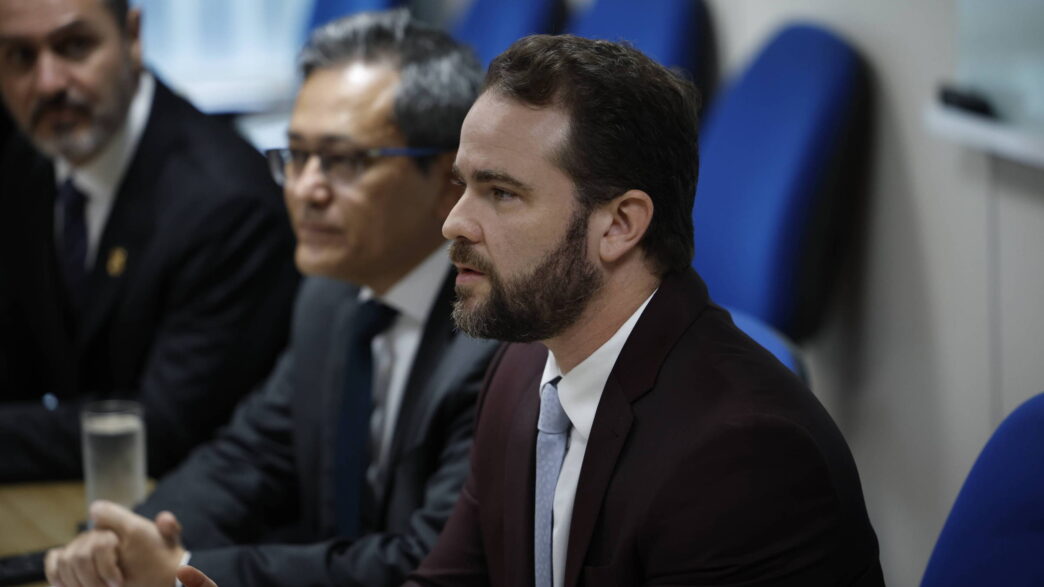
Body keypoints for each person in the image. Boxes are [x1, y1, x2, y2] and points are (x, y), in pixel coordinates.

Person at [401, 35, 885, 585]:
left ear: (620, 225)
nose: (454, 223)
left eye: (501, 193)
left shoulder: (745, 456)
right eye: (463, 185)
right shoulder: (522, 369)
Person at [44, 9, 495, 587]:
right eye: (296, 155)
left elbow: (427, 561)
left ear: (448, 181)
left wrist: (185, 570)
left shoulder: (496, 332)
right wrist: (127, 540)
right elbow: (246, 459)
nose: (306, 189)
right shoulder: (329, 299)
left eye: (343, 161)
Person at [0, 0, 297, 480]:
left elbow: (162, 429)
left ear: (133, 38)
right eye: (19, 57)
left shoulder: (227, 202)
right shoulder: (26, 163)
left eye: (75, 47)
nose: (48, 83)